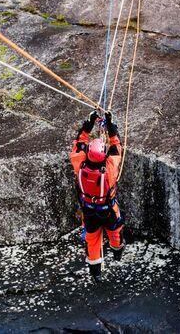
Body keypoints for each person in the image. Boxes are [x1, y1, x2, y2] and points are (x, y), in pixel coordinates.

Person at [69, 110, 124, 281]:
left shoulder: (79, 164)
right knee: (115, 232)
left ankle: (96, 273)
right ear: (103, 155)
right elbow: (116, 147)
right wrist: (110, 125)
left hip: (89, 210)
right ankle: (117, 253)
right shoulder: (109, 169)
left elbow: (79, 141)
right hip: (108, 210)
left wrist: (90, 123)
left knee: (92, 240)